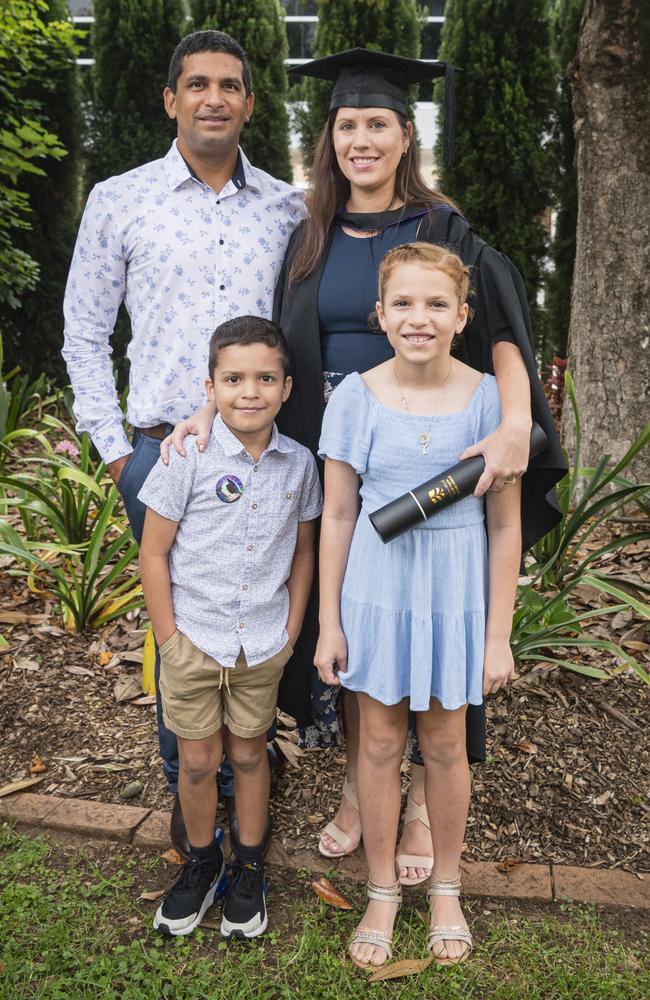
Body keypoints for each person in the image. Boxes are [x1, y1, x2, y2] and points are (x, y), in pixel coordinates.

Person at [165, 49, 566, 881]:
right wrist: (213, 404)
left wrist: (518, 421)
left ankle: (421, 802)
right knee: (347, 632)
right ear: (330, 137)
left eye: (378, 124)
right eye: (347, 125)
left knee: (427, 622)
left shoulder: (442, 229)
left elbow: (500, 327)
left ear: (403, 135)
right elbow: (266, 340)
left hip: (428, 451)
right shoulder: (307, 232)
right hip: (327, 450)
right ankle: (359, 785)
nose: (362, 139)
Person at [62, 30, 305, 857]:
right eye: (196, 84)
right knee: (180, 630)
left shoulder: (285, 206)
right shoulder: (119, 199)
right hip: (160, 456)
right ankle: (187, 785)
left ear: (248, 102)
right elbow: (84, 333)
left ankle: (251, 783)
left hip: (261, 459)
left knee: (257, 612)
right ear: (171, 100)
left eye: (230, 86)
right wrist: (113, 449)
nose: (213, 98)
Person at [315, 242, 521, 967]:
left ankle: (445, 884)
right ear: (379, 313)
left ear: (463, 316)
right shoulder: (355, 397)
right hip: (377, 594)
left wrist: (498, 634)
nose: (419, 318)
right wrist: (330, 622)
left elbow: (504, 525)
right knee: (375, 742)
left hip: (455, 598)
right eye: (403, 303)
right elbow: (338, 516)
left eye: (437, 304)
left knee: (443, 744)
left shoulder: (491, 401)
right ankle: (379, 887)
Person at [139, 316, 322, 939]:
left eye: (265, 378)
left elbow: (303, 553)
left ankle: (249, 867)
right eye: (235, 378)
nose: (250, 391)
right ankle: (200, 861)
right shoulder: (187, 454)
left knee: (248, 753)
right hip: (192, 639)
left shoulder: (298, 465)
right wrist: (169, 641)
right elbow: (153, 552)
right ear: (210, 386)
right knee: (196, 760)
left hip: (262, 642)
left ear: (287, 387)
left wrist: (292, 631)